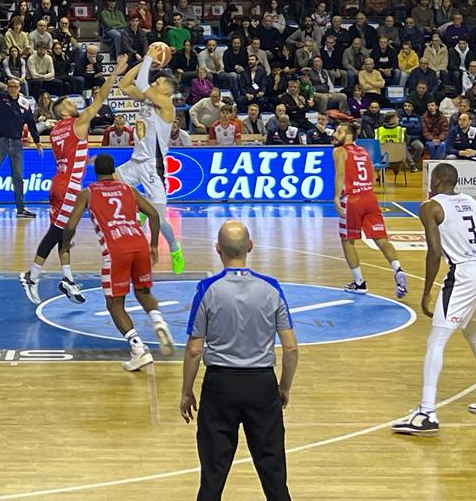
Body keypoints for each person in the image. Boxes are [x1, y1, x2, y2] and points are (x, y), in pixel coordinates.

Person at [180, 221, 298, 501]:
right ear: (251, 246)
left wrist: (186, 392)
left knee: (212, 478)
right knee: (275, 479)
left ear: (217, 249)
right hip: (261, 386)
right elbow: (291, 348)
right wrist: (283, 388)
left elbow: (195, 350)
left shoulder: (207, 289)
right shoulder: (271, 289)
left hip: (219, 387)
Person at [392, 163, 476, 435]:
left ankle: (426, 412)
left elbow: (433, 252)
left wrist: (426, 291)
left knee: (437, 340)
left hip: (464, 274)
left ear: (436, 181)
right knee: (474, 334)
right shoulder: (473, 202)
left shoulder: (430, 207)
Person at [19, 57, 128, 305]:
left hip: (59, 182)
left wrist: (88, 160)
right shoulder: (77, 123)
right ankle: (32, 275)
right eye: (69, 102)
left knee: (65, 234)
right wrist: (116, 73)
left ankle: (67, 278)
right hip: (69, 186)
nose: (73, 103)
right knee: (57, 232)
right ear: (65, 112)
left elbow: (69, 156)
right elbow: (100, 99)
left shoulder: (56, 130)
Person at [61, 153, 174, 370]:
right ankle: (158, 321)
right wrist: (152, 244)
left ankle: (138, 349)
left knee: (114, 303)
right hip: (139, 245)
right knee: (143, 292)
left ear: (96, 172)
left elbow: (70, 225)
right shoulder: (129, 190)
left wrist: (65, 245)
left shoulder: (88, 193)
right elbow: (154, 215)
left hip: (116, 250)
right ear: (114, 171)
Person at [116, 44, 185, 273]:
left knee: (160, 219)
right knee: (110, 184)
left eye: (159, 83)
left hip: (153, 167)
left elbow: (144, 84)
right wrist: (140, 64)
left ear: (167, 90)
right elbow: (125, 84)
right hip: (136, 161)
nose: (155, 83)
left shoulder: (166, 105)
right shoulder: (148, 100)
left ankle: (175, 249)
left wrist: (147, 59)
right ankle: (138, 212)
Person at [333, 122, 408, 297]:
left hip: (353, 200)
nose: (335, 135)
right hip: (370, 197)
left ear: (348, 136)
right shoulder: (364, 152)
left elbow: (340, 175)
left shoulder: (339, 151)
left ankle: (359, 283)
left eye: (339, 132)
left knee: (347, 241)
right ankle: (397, 268)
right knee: (381, 238)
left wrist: (336, 197)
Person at [0, 79, 42, 218]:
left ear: (19, 88)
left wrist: (37, 141)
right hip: (1, 142)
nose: (12, 89)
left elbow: (31, 123)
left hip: (16, 143)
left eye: (15, 86)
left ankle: (21, 209)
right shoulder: (1, 98)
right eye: (10, 86)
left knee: (18, 177)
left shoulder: (24, 104)